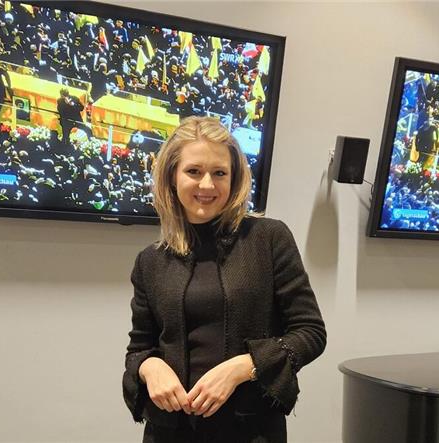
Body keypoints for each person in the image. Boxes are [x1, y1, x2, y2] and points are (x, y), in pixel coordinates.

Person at [122, 116, 326, 442]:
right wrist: (150, 368)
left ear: (235, 178)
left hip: (252, 430)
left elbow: (310, 333)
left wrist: (244, 367)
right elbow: (139, 349)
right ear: (172, 176)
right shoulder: (150, 261)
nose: (207, 185)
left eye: (219, 173)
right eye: (193, 171)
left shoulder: (268, 238)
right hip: (169, 432)